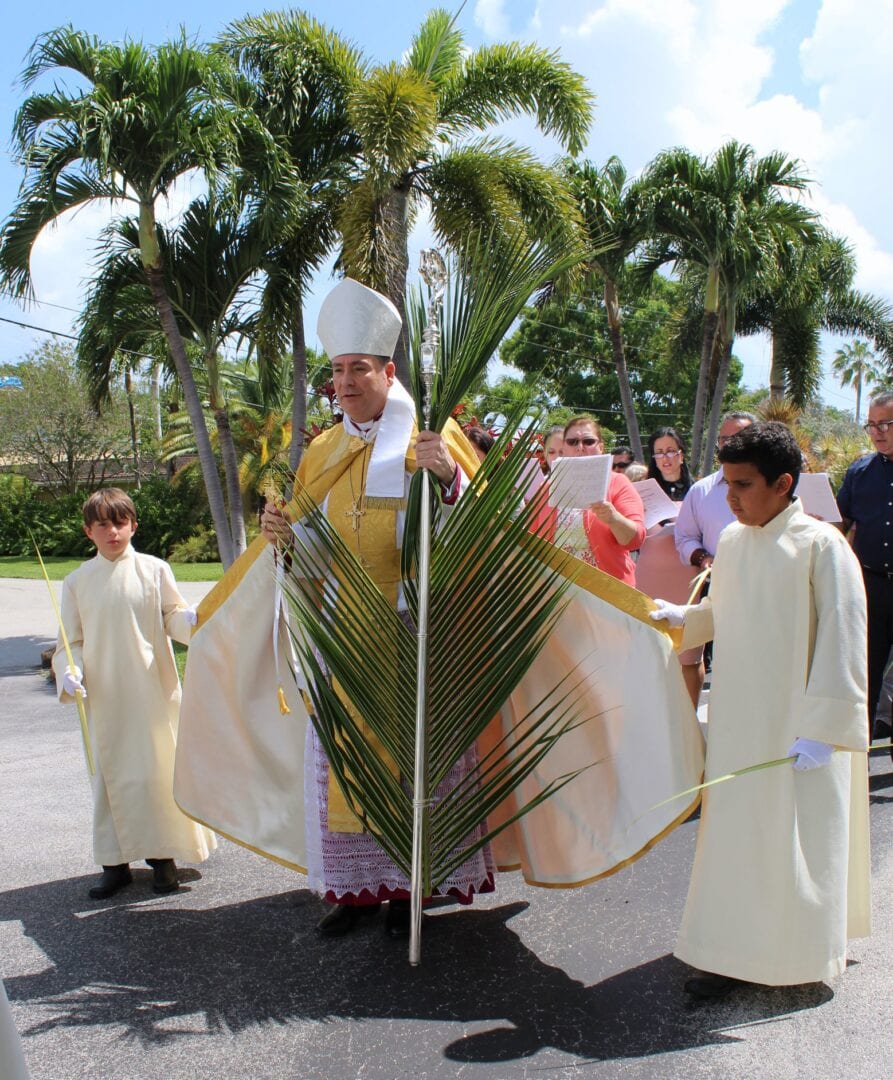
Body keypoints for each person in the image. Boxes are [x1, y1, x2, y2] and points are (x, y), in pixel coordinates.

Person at [259, 278, 491, 938]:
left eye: (357, 368)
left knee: (418, 761)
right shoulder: (324, 450)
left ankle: (410, 890)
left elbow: (474, 534)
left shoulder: (430, 434)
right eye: (335, 371)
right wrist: (285, 540)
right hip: (345, 632)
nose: (344, 381)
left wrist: (446, 477)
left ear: (388, 370)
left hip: (416, 628)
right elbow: (312, 544)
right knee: (345, 765)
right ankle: (353, 890)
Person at [651, 422, 870, 999]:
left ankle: (801, 949)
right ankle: (728, 952)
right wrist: (686, 618)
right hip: (740, 722)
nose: (730, 499)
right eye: (725, 484)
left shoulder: (823, 545)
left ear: (783, 484)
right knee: (737, 839)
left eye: (742, 486)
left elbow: (845, 640)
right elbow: (728, 612)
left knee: (796, 840)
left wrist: (824, 731)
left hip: (798, 732)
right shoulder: (733, 542)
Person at [52, 489, 216, 900]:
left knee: (155, 773)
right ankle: (115, 863)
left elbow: (173, 617)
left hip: (152, 689)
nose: (113, 532)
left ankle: (163, 859)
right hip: (104, 696)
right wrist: (69, 670)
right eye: (103, 524)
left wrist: (193, 621)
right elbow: (69, 642)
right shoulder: (76, 583)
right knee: (110, 780)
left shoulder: (155, 570)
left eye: (120, 522)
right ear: (88, 531)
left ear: (134, 525)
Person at [673, 412, 755, 705]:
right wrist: (703, 557)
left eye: (739, 438)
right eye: (724, 439)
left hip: (759, 587)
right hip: (715, 586)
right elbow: (684, 538)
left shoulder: (772, 489)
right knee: (719, 663)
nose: (730, 444)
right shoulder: (702, 490)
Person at [837, 390, 893, 745]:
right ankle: (857, 772)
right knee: (866, 674)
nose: (876, 432)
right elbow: (837, 524)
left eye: (885, 423)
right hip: (871, 586)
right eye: (871, 424)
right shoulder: (859, 473)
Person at [532, 416, 645, 586]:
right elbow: (532, 540)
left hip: (606, 591)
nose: (580, 447)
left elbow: (635, 540)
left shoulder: (618, 482)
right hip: (554, 591)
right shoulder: (546, 488)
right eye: (572, 442)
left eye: (588, 441)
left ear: (601, 447)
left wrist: (614, 519)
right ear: (564, 448)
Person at [646, 427, 692, 502]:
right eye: (659, 453)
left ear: (681, 455)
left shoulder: (697, 490)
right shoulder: (646, 494)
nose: (665, 458)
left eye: (670, 451)